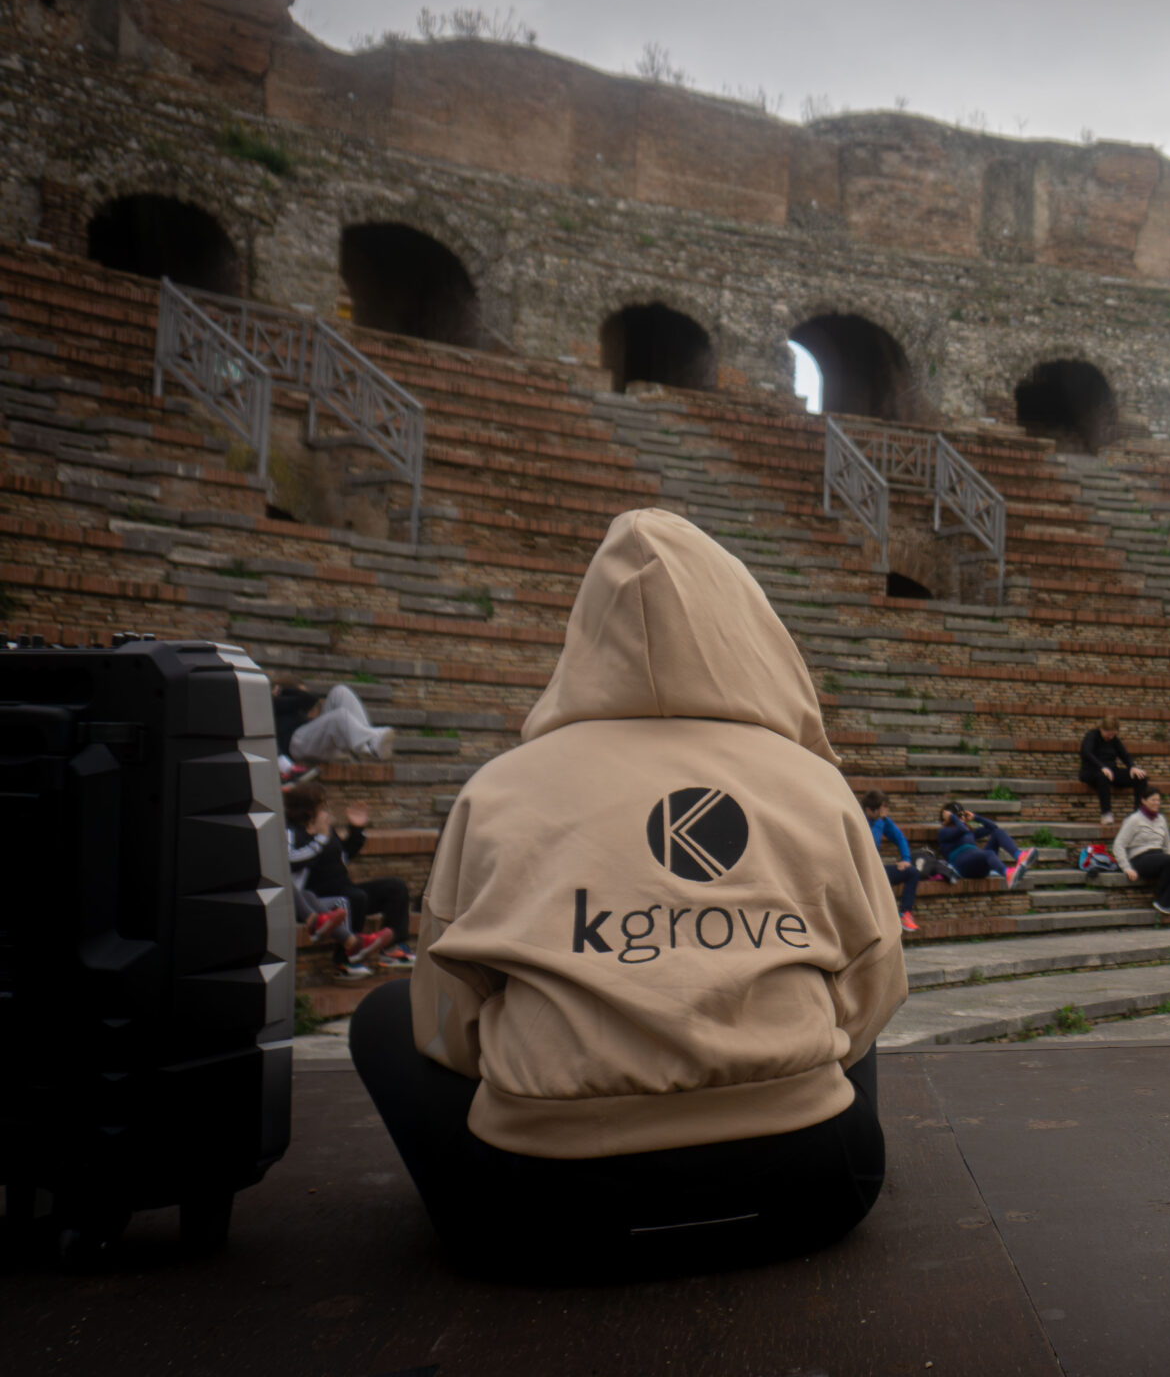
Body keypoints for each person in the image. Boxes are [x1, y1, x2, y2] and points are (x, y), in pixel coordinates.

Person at [349, 508, 902, 1281]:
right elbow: (875, 990)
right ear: (747, 629)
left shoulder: (499, 789)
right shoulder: (815, 784)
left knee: (382, 1018)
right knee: (836, 997)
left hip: (541, 1212)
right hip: (814, 1188)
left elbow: (447, 1021)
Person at [285, 781, 414, 969]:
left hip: (345, 888)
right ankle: (345, 961)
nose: (326, 808)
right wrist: (319, 838)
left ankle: (392, 949)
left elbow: (343, 855)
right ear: (307, 807)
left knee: (395, 887)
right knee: (355, 897)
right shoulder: (292, 830)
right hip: (318, 897)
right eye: (322, 804)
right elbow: (292, 861)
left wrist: (356, 829)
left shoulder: (325, 828)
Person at [1113, 788, 1170, 918]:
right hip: (1140, 858)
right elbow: (1119, 844)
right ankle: (1162, 901)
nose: (1156, 803)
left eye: (1158, 800)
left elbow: (1168, 844)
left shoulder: (1161, 819)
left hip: (1159, 856)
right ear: (1144, 801)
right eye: (1153, 800)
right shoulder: (1134, 819)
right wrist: (1127, 868)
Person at [288, 681, 397, 765]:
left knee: (340, 692)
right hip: (296, 744)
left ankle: (369, 742)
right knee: (340, 716)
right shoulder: (280, 703)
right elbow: (308, 698)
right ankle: (368, 744)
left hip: (317, 743)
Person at [862, 791, 923, 932]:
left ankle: (905, 914)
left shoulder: (881, 821)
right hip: (861, 872)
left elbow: (900, 838)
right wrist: (880, 821)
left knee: (912, 872)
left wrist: (906, 859)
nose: (883, 814)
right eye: (880, 810)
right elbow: (871, 843)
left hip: (877, 871)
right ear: (869, 810)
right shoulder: (860, 820)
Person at [936, 803, 1028, 887]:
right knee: (989, 853)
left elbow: (993, 827)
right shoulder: (944, 832)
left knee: (998, 832)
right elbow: (962, 830)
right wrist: (953, 817)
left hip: (977, 863)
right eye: (959, 816)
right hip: (963, 866)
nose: (962, 818)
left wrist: (976, 817)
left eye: (963, 815)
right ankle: (1007, 874)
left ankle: (1019, 855)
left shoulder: (968, 831)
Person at [1079, 717, 1149, 818]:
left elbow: (1124, 755)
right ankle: (1106, 813)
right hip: (1092, 771)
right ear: (1102, 729)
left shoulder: (1114, 740)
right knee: (1103, 777)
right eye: (1109, 734)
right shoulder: (1091, 736)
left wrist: (1132, 767)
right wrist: (1102, 767)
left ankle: (1139, 812)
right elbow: (1087, 753)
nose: (1111, 737)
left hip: (1111, 771)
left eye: (1113, 734)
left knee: (1140, 777)